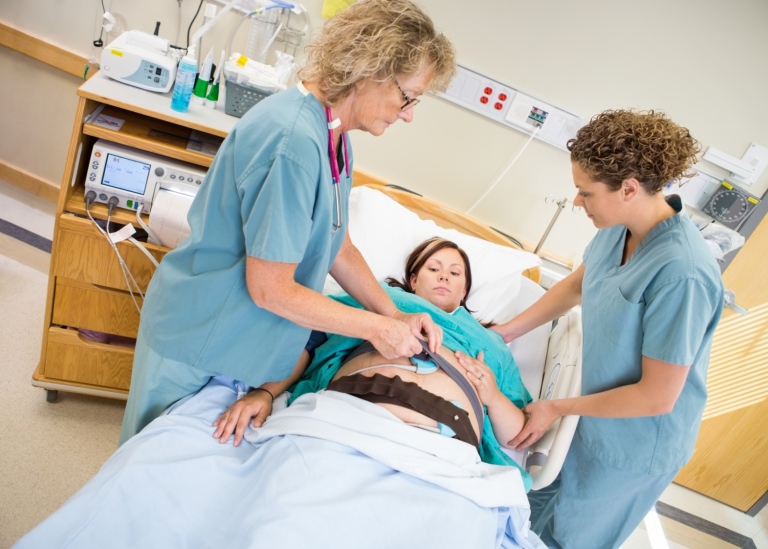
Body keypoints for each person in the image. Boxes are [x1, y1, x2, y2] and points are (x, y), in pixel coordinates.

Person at [119, 0, 456, 444]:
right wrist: (378, 329)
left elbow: (338, 246)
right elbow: (269, 287)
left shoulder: (335, 136)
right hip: (201, 334)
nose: (409, 113)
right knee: (147, 464)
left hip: (246, 343)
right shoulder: (292, 143)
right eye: (408, 97)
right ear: (371, 69)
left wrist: (396, 313)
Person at [492, 110, 724, 548]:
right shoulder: (619, 227)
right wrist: (505, 331)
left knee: (571, 539)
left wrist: (558, 408)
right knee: (528, 518)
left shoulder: (682, 274)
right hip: (592, 414)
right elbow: (580, 282)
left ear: (629, 189)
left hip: (634, 445)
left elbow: (657, 397)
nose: (577, 203)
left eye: (585, 193)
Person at [213, 237, 534, 485]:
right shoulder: (379, 298)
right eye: (433, 268)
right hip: (347, 413)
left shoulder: (493, 344)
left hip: (444, 448)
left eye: (455, 272)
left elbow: (514, 435)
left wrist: (492, 395)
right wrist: (265, 393)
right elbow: (308, 342)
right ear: (413, 279)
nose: (444, 277)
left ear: (465, 288)